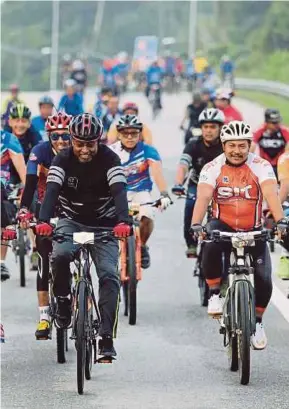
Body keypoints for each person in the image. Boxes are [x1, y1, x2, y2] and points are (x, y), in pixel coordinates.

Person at [35, 113, 131, 360]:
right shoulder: (62, 159)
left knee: (109, 276)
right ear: (71, 140)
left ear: (99, 141)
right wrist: (44, 221)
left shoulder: (111, 159)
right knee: (60, 255)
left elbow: (120, 192)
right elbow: (52, 192)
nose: (85, 149)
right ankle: (64, 299)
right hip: (72, 222)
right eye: (79, 144)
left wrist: (124, 221)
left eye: (91, 144)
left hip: (104, 226)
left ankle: (106, 338)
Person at [190, 120, 288, 350]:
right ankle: (214, 292)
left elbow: (271, 194)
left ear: (249, 146)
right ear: (223, 146)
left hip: (253, 228)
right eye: (231, 145)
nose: (236, 151)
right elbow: (203, 197)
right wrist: (196, 223)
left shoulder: (261, 166)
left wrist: (280, 220)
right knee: (210, 242)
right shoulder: (212, 167)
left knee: (264, 277)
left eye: (242, 146)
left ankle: (258, 321)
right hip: (222, 225)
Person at [18, 112, 72, 340]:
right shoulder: (39, 151)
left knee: (82, 254)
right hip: (45, 208)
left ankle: (85, 305)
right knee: (44, 259)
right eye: (56, 136)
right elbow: (30, 185)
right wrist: (24, 210)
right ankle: (44, 316)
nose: (60, 141)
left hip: (73, 208)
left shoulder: (78, 152)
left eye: (65, 136)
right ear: (48, 136)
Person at [110, 114, 171, 268]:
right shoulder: (111, 152)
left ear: (140, 134)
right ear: (119, 134)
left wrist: (164, 193)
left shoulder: (148, 151)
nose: (130, 137)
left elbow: (157, 173)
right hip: (116, 193)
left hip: (140, 192)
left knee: (148, 216)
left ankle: (142, 246)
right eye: (125, 134)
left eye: (134, 134)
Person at [172, 108, 225, 257]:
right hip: (197, 184)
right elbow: (183, 164)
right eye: (205, 127)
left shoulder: (226, 145)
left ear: (220, 128)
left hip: (221, 186)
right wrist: (178, 183)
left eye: (213, 127)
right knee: (190, 205)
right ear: (201, 128)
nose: (209, 131)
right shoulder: (194, 143)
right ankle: (191, 243)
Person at [1, 130, 26, 280]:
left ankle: (1, 262)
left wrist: (27, 194)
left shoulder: (8, 139)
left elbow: (23, 173)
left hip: (5, 185)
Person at [250, 109, 289, 176]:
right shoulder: (259, 130)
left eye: (278, 122)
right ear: (267, 122)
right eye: (274, 123)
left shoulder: (284, 131)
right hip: (264, 165)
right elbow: (251, 145)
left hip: (281, 166)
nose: (277, 125)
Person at [276, 151, 289, 279]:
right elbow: (285, 186)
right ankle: (285, 255)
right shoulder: (285, 158)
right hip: (287, 201)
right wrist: (275, 208)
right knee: (283, 222)